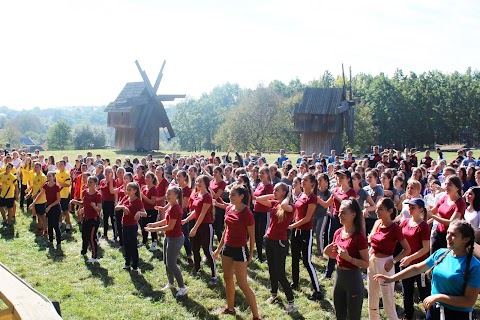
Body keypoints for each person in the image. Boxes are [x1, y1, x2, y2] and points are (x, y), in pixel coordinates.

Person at [374, 220, 480, 320]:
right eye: (448, 233)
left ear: (466, 240)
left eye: (454, 235)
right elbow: (416, 268)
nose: (448, 237)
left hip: (457, 315)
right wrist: (391, 278)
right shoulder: (441, 253)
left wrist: (438, 297)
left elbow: (469, 302)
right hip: (434, 310)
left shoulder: (474, 266)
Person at [213, 185, 261, 319]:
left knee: (242, 284)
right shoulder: (229, 208)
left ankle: (256, 316)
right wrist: (218, 249)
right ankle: (230, 308)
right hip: (227, 248)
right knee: (227, 278)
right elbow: (225, 231)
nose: (230, 196)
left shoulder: (247, 214)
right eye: (230, 194)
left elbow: (252, 236)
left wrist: (251, 254)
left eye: (233, 194)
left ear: (241, 197)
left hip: (240, 250)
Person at [255, 182, 298, 314]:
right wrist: (274, 195)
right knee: (272, 269)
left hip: (280, 242)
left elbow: (284, 205)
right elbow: (259, 199)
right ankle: (274, 294)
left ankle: (291, 303)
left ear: (285, 193)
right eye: (274, 190)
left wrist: (287, 195)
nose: (274, 192)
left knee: (280, 273)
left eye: (277, 190)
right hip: (269, 240)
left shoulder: (290, 206)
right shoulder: (275, 203)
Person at [324, 199, 369, 320]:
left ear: (353, 214)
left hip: (353, 279)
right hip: (339, 276)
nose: (339, 215)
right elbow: (335, 255)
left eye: (343, 212)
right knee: (339, 314)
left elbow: (366, 263)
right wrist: (327, 253)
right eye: (339, 212)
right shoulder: (338, 232)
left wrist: (349, 258)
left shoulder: (359, 237)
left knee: (353, 316)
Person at [368, 197, 411, 320]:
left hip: (385, 264)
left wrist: (393, 261)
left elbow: (407, 249)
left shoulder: (395, 228)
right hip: (373, 262)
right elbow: (372, 240)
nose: (377, 211)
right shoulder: (377, 223)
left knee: (388, 303)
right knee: (372, 299)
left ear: (390, 211)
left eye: (380, 209)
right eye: (377, 209)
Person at [146, 187, 188, 297]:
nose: (167, 195)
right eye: (167, 193)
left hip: (175, 238)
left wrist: (153, 230)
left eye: (170, 193)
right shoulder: (170, 206)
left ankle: (182, 287)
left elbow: (170, 226)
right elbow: (166, 220)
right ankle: (171, 283)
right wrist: (153, 224)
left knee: (172, 263)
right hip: (168, 237)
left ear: (176, 195)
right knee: (166, 262)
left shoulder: (175, 208)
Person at [288, 173, 323, 301]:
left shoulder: (312, 198)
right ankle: (295, 282)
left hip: (305, 232)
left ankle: (317, 291)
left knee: (307, 261)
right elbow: (296, 211)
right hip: (296, 231)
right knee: (294, 257)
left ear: (312, 184)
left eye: (305, 180)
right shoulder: (301, 195)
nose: (302, 181)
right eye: (302, 179)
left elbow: (307, 218)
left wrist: (292, 226)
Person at [398, 198, 431, 320]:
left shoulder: (424, 226)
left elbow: (425, 249)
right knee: (407, 292)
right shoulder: (405, 222)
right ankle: (408, 315)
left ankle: (430, 314)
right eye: (409, 207)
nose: (410, 209)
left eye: (413, 207)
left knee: (424, 292)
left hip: (420, 265)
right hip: (405, 263)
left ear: (421, 209)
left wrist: (410, 258)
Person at [320, 169, 356, 280]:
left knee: (347, 245)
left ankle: (347, 270)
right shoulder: (336, 189)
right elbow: (327, 204)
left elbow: (350, 206)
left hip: (347, 221)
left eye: (342, 177)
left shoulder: (351, 192)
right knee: (333, 244)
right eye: (338, 177)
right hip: (335, 219)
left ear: (348, 179)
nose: (339, 179)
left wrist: (337, 196)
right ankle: (328, 273)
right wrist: (316, 198)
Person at [183, 175, 217, 285]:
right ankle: (197, 270)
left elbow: (202, 214)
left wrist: (195, 228)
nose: (197, 183)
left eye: (200, 181)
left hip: (205, 227)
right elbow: (195, 212)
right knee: (195, 249)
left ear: (206, 183)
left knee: (207, 251)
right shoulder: (196, 195)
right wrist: (186, 220)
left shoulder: (207, 196)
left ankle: (214, 276)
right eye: (196, 181)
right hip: (197, 225)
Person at [428, 175, 466, 253]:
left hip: (450, 237)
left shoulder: (460, 203)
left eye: (450, 185)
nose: (446, 187)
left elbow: (451, 222)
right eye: (445, 184)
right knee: (433, 258)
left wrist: (433, 216)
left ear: (457, 188)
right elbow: (432, 211)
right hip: (438, 233)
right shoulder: (445, 198)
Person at [115, 182, 147, 272]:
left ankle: (135, 266)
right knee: (126, 245)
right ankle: (127, 263)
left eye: (129, 190)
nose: (127, 191)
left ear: (135, 190)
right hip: (124, 225)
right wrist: (122, 207)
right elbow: (116, 207)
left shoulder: (138, 201)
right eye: (127, 189)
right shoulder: (126, 198)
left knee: (133, 246)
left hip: (132, 226)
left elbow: (145, 213)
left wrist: (139, 213)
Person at [71, 176, 102, 262]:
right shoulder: (85, 192)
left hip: (93, 219)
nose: (88, 183)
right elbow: (83, 203)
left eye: (91, 182)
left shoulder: (98, 195)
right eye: (88, 181)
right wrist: (75, 202)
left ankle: (94, 257)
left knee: (91, 238)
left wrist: (94, 206)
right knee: (84, 236)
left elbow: (99, 209)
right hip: (86, 217)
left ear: (95, 184)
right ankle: (83, 252)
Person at [33, 171, 63, 249]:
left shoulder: (56, 186)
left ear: (53, 177)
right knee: (49, 225)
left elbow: (58, 200)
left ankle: (59, 243)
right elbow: (40, 194)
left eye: (50, 176)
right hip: (48, 208)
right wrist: (33, 203)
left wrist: (49, 206)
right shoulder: (46, 185)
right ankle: (51, 242)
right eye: (48, 176)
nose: (48, 177)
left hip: (55, 208)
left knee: (55, 226)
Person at [251, 166, 274, 262]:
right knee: (257, 234)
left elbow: (270, 203)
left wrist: (257, 200)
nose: (260, 175)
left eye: (262, 173)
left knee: (264, 235)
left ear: (267, 174)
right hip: (256, 212)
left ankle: (269, 255)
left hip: (265, 213)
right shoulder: (260, 184)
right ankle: (259, 255)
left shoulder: (270, 187)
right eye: (259, 173)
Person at [140, 171, 158, 251]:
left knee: (151, 226)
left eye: (148, 177)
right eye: (146, 177)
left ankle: (154, 242)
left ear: (153, 179)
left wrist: (143, 196)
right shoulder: (144, 187)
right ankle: (144, 241)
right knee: (143, 225)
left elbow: (152, 202)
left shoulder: (154, 189)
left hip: (151, 211)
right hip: (144, 210)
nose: (146, 179)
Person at [99, 166, 116, 241]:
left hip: (111, 202)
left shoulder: (113, 181)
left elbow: (115, 192)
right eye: (106, 171)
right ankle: (105, 234)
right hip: (104, 202)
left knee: (112, 218)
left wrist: (116, 202)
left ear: (112, 173)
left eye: (109, 172)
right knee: (105, 218)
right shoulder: (102, 181)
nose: (107, 173)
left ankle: (115, 235)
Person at [29, 162, 47, 235]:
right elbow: (34, 186)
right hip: (35, 199)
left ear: (40, 168)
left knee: (42, 215)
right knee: (38, 214)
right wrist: (30, 193)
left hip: (41, 199)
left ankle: (46, 230)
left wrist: (35, 195)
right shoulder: (34, 175)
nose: (35, 168)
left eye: (37, 167)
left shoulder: (43, 177)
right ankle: (40, 228)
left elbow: (43, 189)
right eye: (34, 167)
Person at [0, 163, 18, 228]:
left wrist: (16, 194)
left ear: (11, 169)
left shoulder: (12, 176)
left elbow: (16, 186)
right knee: (1, 207)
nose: (8, 167)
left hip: (10, 195)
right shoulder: (1, 175)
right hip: (2, 195)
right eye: (7, 166)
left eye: (9, 167)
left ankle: (9, 222)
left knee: (10, 208)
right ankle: (4, 220)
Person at [56, 160, 72, 232]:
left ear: (65, 165)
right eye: (59, 164)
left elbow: (68, 184)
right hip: (57, 195)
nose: (60, 165)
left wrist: (59, 184)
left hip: (64, 195)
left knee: (65, 211)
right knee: (58, 210)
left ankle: (68, 224)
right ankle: (60, 222)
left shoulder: (67, 173)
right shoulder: (57, 172)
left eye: (61, 164)